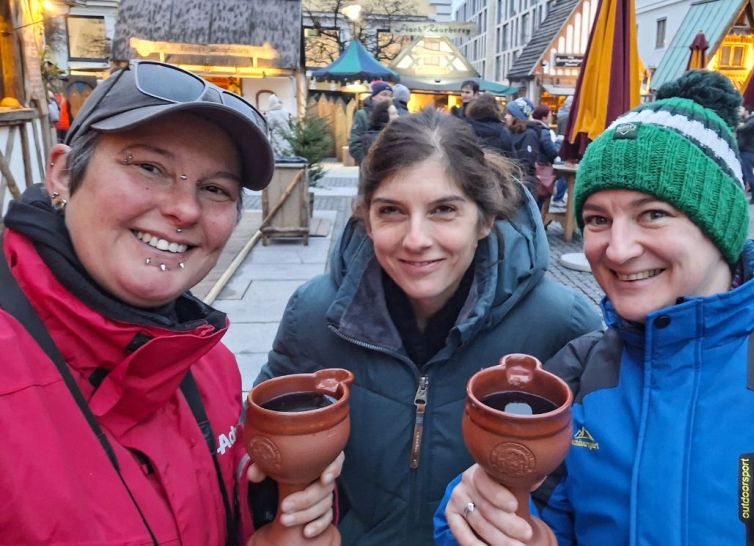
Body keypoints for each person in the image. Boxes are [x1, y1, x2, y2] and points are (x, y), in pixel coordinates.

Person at [434, 69, 754, 546]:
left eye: (653, 214)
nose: (617, 249)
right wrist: (485, 520)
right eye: (598, 219)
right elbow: (507, 514)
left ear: (719, 225)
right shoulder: (578, 377)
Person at [0, 60, 340, 544]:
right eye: (149, 167)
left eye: (215, 188)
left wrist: (278, 509)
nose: (184, 209)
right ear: (62, 174)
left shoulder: (209, 365)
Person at [254, 108, 601, 545]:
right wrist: (275, 493)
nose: (416, 239)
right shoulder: (314, 314)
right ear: (367, 218)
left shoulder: (562, 324)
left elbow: (597, 487)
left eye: (444, 210)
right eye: (391, 211)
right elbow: (257, 448)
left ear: (485, 219)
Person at [349, 81, 393, 165]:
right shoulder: (362, 115)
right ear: (373, 96)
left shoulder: (393, 114)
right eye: (384, 94)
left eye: (390, 96)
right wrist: (368, 163)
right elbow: (355, 145)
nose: (388, 98)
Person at [504, 97, 540, 200]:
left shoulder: (529, 135)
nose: (506, 117)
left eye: (509, 114)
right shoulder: (509, 131)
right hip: (513, 183)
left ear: (517, 117)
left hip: (522, 186)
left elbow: (526, 164)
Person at [736, 107, 754, 204]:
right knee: (745, 173)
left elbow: (743, 129)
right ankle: (744, 195)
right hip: (750, 150)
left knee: (747, 173)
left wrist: (737, 127)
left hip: (746, 150)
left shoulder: (753, 121)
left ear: (747, 112)